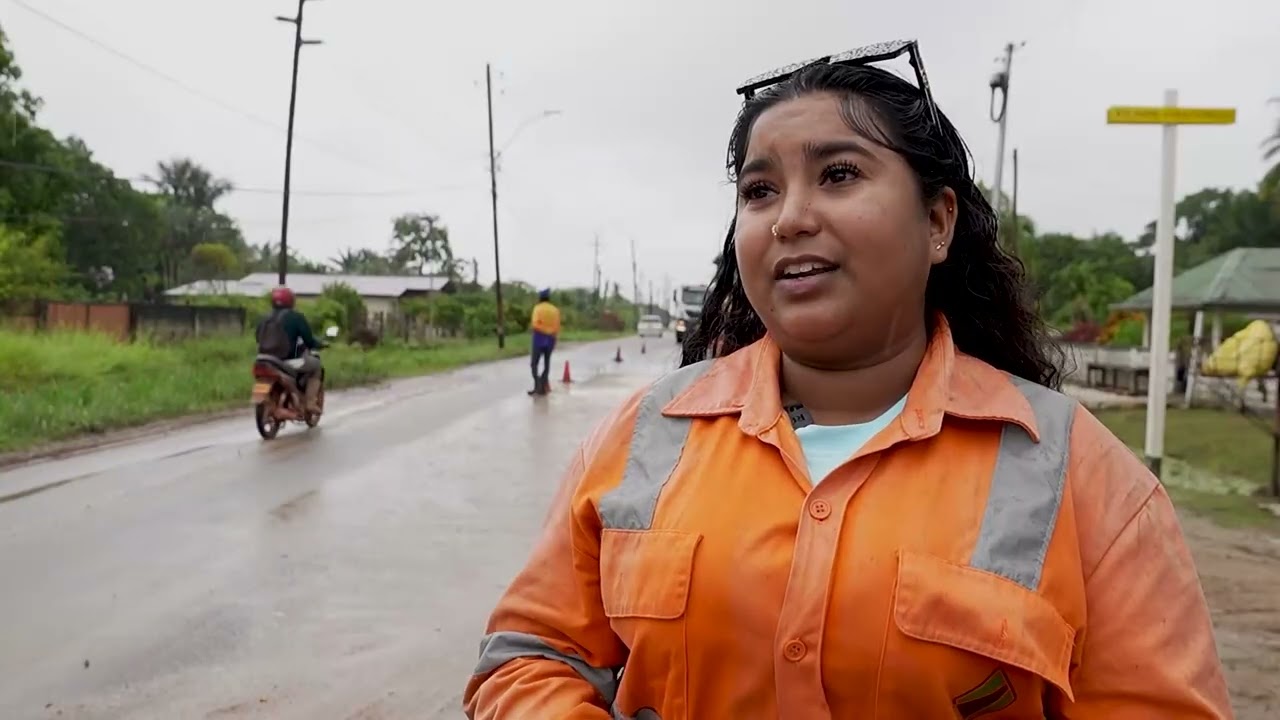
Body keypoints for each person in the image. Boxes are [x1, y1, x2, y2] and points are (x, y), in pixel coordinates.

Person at [463, 57, 1232, 719]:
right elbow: (528, 657)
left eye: (839, 175)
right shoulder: (648, 432)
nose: (791, 218)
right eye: (759, 191)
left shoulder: (1080, 475)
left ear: (937, 222)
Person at [256, 286, 326, 413]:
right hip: (286, 361)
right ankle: (310, 403)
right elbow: (309, 341)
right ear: (291, 300)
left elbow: (257, 337)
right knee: (316, 366)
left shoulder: (264, 317)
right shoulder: (296, 317)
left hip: (263, 359)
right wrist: (320, 344)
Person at [528, 288, 561, 395]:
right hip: (551, 338)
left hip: (539, 338)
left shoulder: (537, 308)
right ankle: (543, 384)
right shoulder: (555, 310)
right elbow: (557, 326)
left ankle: (537, 385)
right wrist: (551, 334)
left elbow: (535, 324)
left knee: (534, 364)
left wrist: (542, 330)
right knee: (547, 363)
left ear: (540, 298)